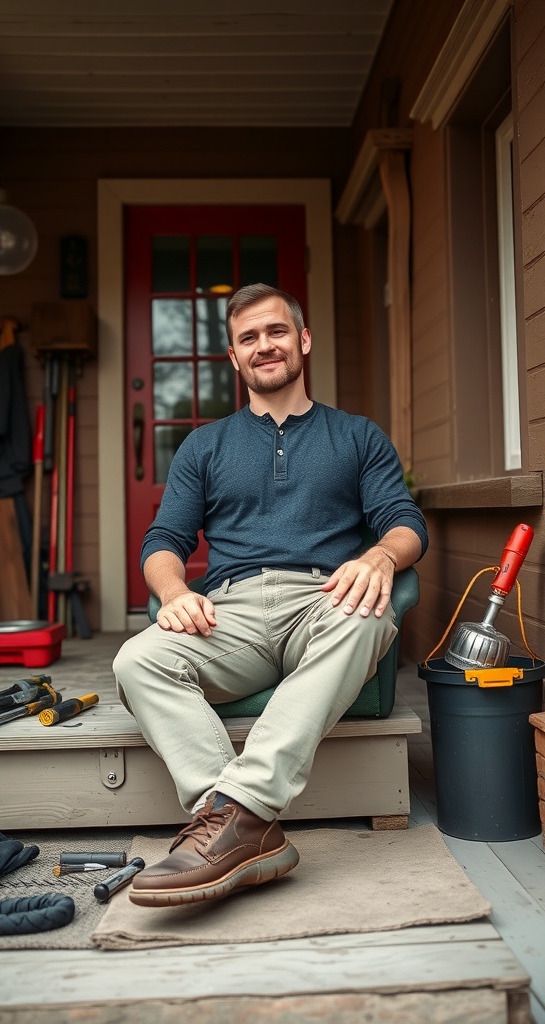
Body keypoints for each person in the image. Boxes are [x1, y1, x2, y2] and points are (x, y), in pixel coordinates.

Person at [113, 283, 428, 909]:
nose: (265, 347)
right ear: (233, 358)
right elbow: (164, 539)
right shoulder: (204, 445)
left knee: (368, 616)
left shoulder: (357, 436)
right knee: (136, 661)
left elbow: (404, 521)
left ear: (303, 340)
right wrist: (174, 590)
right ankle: (238, 822)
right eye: (248, 338)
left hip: (323, 599)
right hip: (228, 612)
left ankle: (235, 815)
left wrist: (379, 557)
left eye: (276, 332)